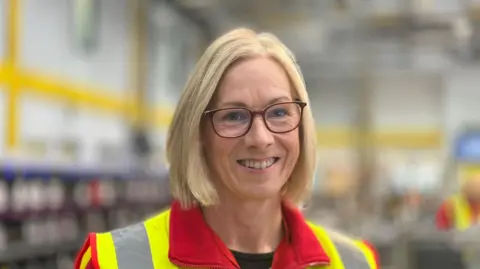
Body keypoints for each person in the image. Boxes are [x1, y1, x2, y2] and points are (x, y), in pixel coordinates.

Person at [74, 28, 380, 269]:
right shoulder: (115, 262)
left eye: (278, 112)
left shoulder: (354, 263)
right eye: (234, 115)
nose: (260, 139)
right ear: (199, 134)